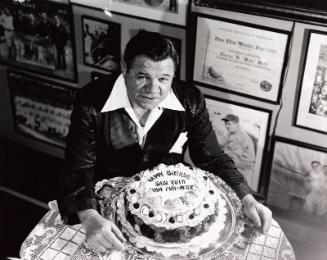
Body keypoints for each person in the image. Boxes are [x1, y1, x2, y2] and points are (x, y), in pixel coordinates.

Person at [58, 31, 272, 253]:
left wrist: (246, 197)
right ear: (124, 68)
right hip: (104, 206)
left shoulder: (190, 100)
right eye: (142, 77)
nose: (153, 90)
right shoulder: (91, 101)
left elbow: (212, 157)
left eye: (163, 79)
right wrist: (90, 218)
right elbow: (78, 168)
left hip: (168, 209)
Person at [220, 114, 256, 188]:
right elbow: (220, 143)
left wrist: (221, 152)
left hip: (244, 171)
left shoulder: (241, 137)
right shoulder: (232, 133)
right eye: (226, 124)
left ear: (236, 124)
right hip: (238, 168)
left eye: (229, 124)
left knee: (242, 193)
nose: (226, 126)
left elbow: (232, 155)